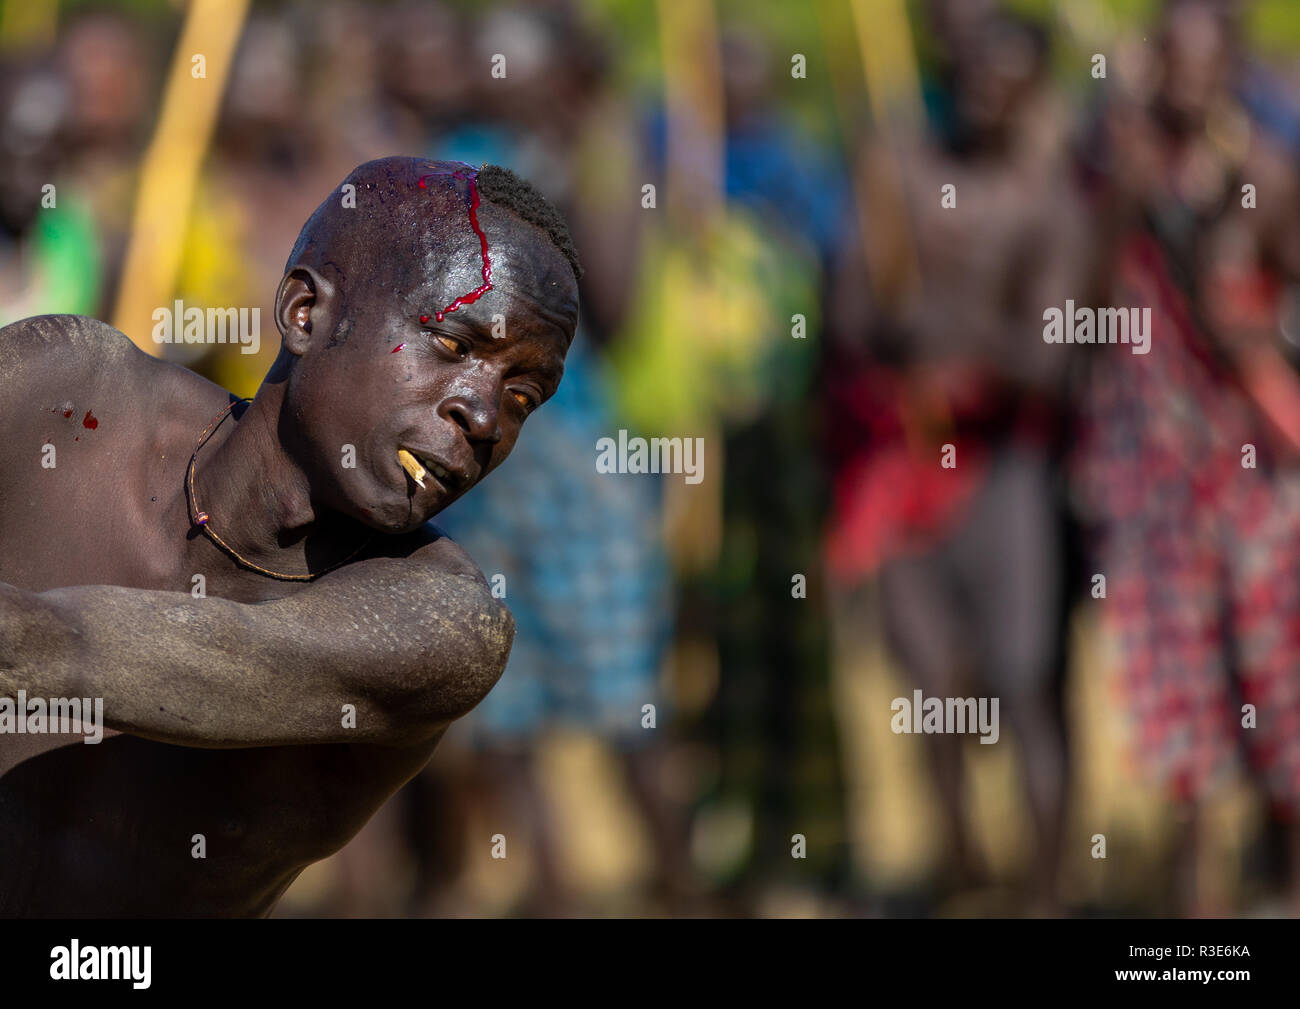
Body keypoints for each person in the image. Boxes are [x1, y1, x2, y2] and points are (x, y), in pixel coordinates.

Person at [0, 157, 580, 916]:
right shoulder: (62, 388)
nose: (483, 416)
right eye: (452, 346)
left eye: (524, 394)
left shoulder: (441, 625)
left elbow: (64, 648)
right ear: (307, 313)